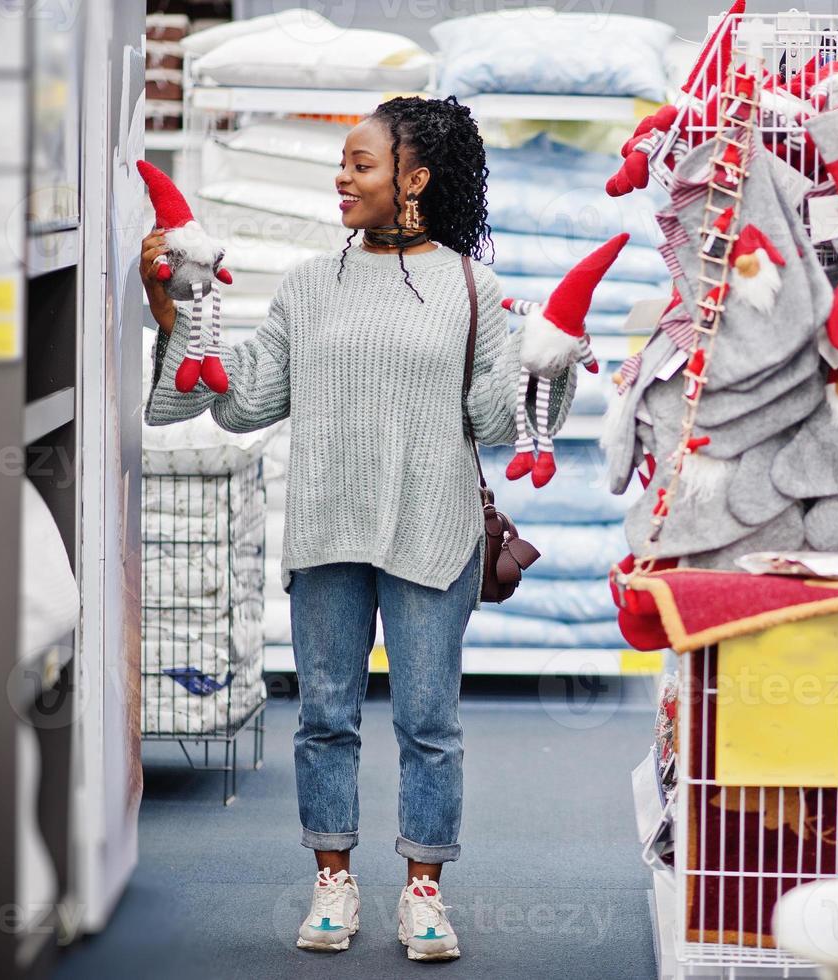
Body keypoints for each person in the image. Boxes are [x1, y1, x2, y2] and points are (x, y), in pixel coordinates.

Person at [142, 96, 576, 961]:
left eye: (361, 164)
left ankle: (423, 891)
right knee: (325, 719)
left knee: (428, 723)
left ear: (414, 180)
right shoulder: (310, 283)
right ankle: (332, 880)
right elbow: (248, 397)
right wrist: (171, 318)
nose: (341, 177)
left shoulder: (470, 286)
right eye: (342, 162)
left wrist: (547, 360)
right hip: (328, 527)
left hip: (432, 526)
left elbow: (496, 415)